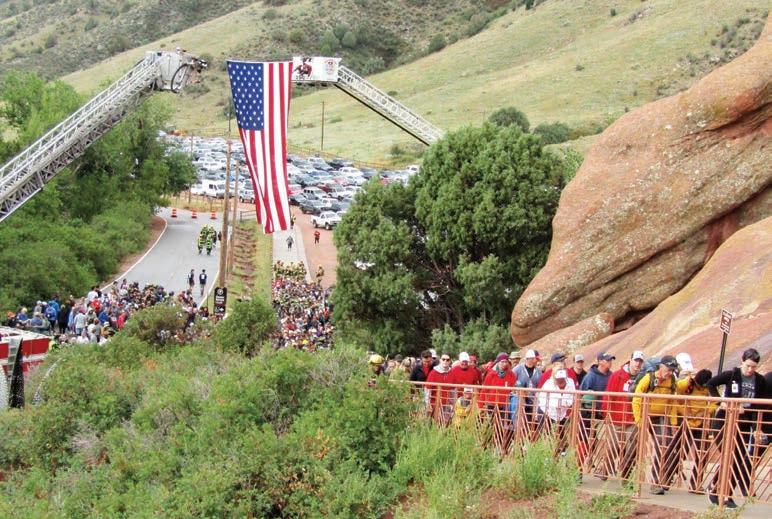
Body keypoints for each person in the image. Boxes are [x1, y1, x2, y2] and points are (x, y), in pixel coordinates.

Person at [706, 348, 768, 508]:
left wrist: (757, 427)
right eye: (748, 366)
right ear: (742, 361)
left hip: (744, 423)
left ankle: (724, 493)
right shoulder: (731, 374)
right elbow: (710, 384)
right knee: (729, 456)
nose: (750, 370)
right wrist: (721, 402)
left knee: (738, 459)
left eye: (754, 367)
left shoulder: (759, 380)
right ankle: (718, 492)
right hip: (725, 421)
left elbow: (757, 407)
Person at [631, 355, 679, 495]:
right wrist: (639, 420)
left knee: (663, 446)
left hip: (660, 418)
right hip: (644, 415)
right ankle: (626, 476)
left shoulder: (672, 381)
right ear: (661, 366)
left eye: (672, 370)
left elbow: (673, 402)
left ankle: (656, 482)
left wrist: (673, 422)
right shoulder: (649, 378)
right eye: (668, 369)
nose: (669, 372)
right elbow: (637, 398)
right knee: (633, 446)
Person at [601, 350, 645, 480]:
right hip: (616, 417)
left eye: (640, 361)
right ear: (630, 360)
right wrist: (606, 414)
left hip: (632, 418)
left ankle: (626, 475)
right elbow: (608, 396)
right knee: (613, 446)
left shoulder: (642, 378)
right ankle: (605, 470)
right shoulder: (617, 375)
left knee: (633, 448)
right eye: (636, 360)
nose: (638, 364)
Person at [480, 353, 518, 452]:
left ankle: (499, 447)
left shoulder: (511, 374)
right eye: (502, 362)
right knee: (489, 425)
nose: (504, 364)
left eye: (506, 362)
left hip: (504, 405)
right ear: (498, 362)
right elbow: (485, 390)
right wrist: (481, 404)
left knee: (502, 426)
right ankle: (485, 446)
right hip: (491, 404)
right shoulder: (491, 374)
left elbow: (513, 387)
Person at [537, 368, 574, 452]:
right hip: (547, 412)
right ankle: (544, 452)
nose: (561, 381)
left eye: (562, 378)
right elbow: (542, 397)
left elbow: (573, 396)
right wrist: (555, 404)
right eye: (559, 379)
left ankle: (560, 454)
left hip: (561, 414)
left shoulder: (570, 383)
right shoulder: (549, 384)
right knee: (545, 435)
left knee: (561, 436)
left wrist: (567, 403)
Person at [426, 353, 453, 424]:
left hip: (446, 405)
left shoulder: (452, 373)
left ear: (450, 361)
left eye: (447, 360)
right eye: (443, 359)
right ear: (440, 360)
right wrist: (427, 403)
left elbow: (453, 390)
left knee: (445, 425)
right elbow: (427, 389)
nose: (445, 361)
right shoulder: (433, 373)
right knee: (432, 424)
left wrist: (453, 404)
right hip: (434, 403)